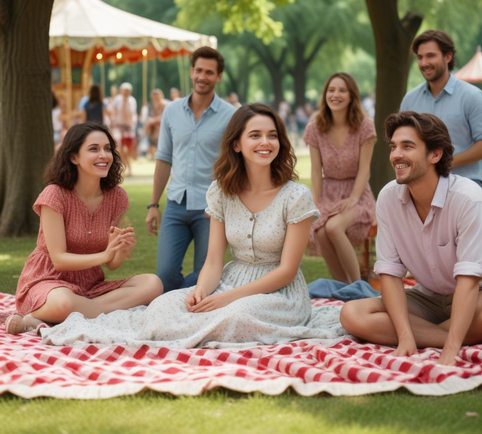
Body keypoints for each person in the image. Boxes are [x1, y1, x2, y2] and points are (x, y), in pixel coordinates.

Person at [39, 104, 344, 347]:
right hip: (231, 281)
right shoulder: (221, 192)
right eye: (255, 135)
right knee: (162, 306)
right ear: (237, 144)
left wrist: (226, 298)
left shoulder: (296, 196)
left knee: (235, 313)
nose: (265, 142)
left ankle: (200, 325)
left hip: (280, 293)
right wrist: (200, 291)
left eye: (272, 135)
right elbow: (213, 260)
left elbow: (286, 271)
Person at [340, 112, 482, 366]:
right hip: (429, 297)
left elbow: (469, 278)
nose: (396, 154)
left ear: (435, 154)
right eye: (394, 147)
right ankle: (449, 333)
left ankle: (453, 335)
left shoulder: (468, 200)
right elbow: (389, 272)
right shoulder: (388, 198)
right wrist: (405, 335)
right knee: (352, 314)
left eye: (407, 146)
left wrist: (451, 349)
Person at [5, 123, 163, 334]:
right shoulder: (54, 195)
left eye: (108, 149)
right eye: (94, 149)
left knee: (153, 284)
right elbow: (59, 259)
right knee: (64, 303)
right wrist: (105, 255)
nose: (104, 155)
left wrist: (120, 251)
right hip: (49, 281)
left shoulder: (117, 198)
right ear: (74, 157)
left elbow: (112, 265)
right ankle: (67, 314)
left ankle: (51, 319)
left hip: (90, 287)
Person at [146, 47, 236, 292]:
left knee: (205, 274)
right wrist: (153, 205)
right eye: (198, 70)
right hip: (176, 204)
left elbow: (237, 165)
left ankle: (186, 308)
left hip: (212, 209)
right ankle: (175, 301)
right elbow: (164, 159)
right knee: (164, 274)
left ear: (218, 77)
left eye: (209, 72)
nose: (202, 77)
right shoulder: (172, 111)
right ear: (191, 72)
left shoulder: (232, 116)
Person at [303, 72, 376, 283]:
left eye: (342, 90)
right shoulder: (315, 127)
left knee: (333, 227)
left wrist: (354, 198)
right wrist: (316, 202)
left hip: (358, 193)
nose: (336, 95)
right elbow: (316, 171)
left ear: (352, 95)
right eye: (331, 90)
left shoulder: (364, 126)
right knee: (322, 231)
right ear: (325, 95)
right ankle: (343, 288)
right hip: (328, 193)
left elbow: (365, 169)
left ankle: (357, 287)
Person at [400, 30, 482, 193]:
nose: (424, 63)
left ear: (448, 57)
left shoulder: (472, 96)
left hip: (466, 185)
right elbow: (401, 142)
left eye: (430, 56)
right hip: (421, 185)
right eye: (420, 57)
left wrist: (443, 163)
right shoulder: (410, 100)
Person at [109, 82, 137, 176]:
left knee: (127, 150)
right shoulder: (117, 100)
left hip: (128, 128)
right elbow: (112, 111)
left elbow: (132, 114)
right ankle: (124, 168)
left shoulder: (132, 101)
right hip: (119, 127)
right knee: (120, 149)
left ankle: (127, 168)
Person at [145, 88, 170, 160]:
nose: (155, 99)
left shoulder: (165, 104)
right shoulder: (152, 106)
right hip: (157, 131)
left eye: (157, 97)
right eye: (154, 97)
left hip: (165, 130)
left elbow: (166, 118)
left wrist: (153, 120)